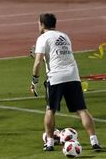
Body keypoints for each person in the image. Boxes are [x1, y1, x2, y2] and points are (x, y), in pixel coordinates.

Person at [30, 13, 102, 151]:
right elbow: (60, 56)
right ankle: (94, 142)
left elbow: (37, 62)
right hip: (73, 75)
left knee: (50, 110)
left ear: (42, 24)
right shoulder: (64, 36)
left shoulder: (42, 38)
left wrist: (34, 81)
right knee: (82, 110)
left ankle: (50, 143)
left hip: (56, 77)